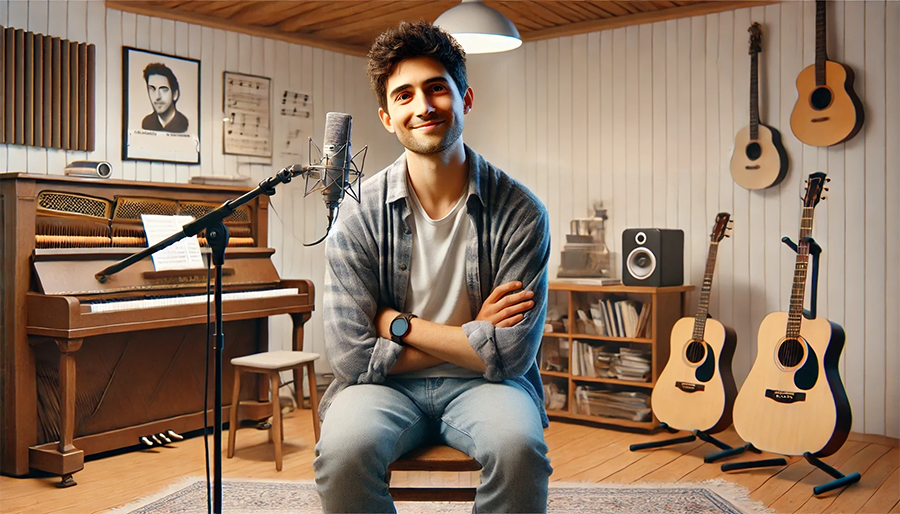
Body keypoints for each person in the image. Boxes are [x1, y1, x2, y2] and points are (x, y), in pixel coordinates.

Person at [313, 20, 552, 514]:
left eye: (436, 89)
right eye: (404, 95)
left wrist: (395, 325)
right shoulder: (356, 215)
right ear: (386, 116)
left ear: (465, 99)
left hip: (486, 386)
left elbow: (509, 356)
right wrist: (474, 335)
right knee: (343, 453)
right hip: (382, 387)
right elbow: (353, 360)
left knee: (520, 450)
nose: (422, 107)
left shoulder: (522, 212)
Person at [140, 62, 189, 133]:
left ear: (175, 94)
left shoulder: (183, 123)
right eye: (152, 89)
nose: (157, 97)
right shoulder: (147, 123)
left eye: (163, 90)